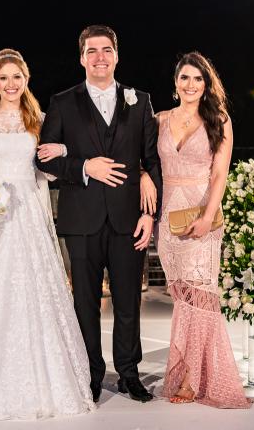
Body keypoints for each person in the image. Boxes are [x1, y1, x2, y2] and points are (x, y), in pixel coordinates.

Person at [0, 49, 95, 420]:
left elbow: (48, 169)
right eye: (3, 78)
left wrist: (61, 151)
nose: (10, 84)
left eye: (17, 77)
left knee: (35, 287)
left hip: (28, 209)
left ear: (26, 80)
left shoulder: (39, 119)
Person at [36, 25, 162, 403]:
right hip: (81, 220)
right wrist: (84, 167)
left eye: (106, 50)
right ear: (82, 58)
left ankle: (129, 374)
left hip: (128, 219)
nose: (100, 57)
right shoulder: (62, 102)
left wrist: (149, 215)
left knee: (128, 302)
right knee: (85, 305)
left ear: (117, 56)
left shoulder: (140, 101)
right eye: (92, 51)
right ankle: (89, 375)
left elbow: (152, 161)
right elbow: (44, 159)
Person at [140, 52, 250, 408]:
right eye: (184, 78)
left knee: (201, 296)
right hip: (169, 217)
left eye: (197, 79)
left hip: (203, 214)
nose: (190, 84)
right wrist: (143, 176)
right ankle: (194, 371)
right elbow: (142, 159)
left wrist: (208, 215)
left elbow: (220, 174)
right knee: (182, 296)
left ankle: (190, 380)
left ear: (206, 84)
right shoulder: (159, 120)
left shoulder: (219, 120)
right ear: (176, 83)